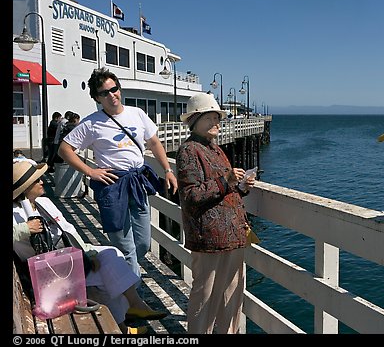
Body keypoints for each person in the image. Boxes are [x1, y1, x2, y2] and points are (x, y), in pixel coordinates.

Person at [12, 160, 167, 334]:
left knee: (110, 259)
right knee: (110, 271)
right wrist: (26, 228)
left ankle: (129, 317)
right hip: (49, 277)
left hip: (67, 262)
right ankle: (130, 317)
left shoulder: (44, 202)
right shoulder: (15, 213)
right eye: (36, 180)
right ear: (24, 188)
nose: (42, 181)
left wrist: (87, 252)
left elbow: (68, 230)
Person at [58, 67, 178, 280]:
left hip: (137, 182)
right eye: (104, 92)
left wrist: (168, 170)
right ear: (97, 97)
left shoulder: (137, 114)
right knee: (125, 245)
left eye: (114, 89)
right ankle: (136, 300)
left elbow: (154, 142)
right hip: (112, 186)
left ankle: (122, 274)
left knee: (142, 242)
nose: (111, 95)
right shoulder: (91, 123)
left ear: (119, 89)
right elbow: (64, 149)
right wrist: (90, 172)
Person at [176, 92, 256, 334]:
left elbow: (224, 190)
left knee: (232, 297)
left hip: (233, 235)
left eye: (217, 118)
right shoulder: (189, 151)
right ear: (194, 120)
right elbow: (191, 196)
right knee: (206, 297)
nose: (216, 123)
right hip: (208, 238)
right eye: (209, 118)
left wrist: (241, 187)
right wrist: (226, 179)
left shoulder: (216, 149)